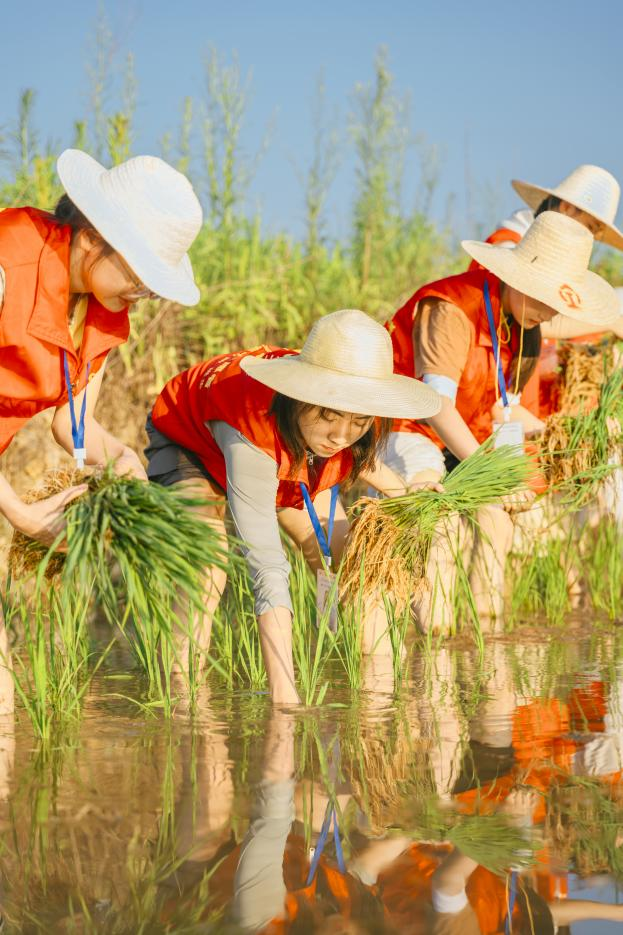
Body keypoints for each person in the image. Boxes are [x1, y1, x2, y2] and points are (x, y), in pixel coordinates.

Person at [146, 309, 441, 704]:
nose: (340, 436)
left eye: (359, 421)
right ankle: (181, 689)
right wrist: (285, 701)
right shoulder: (253, 427)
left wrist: (415, 498)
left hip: (281, 446)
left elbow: (374, 469)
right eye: (329, 416)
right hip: (192, 445)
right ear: (300, 396)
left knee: (340, 553)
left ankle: (374, 671)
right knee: (209, 563)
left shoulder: (338, 431)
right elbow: (266, 565)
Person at [0, 147, 203, 713]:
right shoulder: (7, 257)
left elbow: (74, 423)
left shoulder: (103, 309)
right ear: (92, 235)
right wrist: (17, 511)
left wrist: (119, 460)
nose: (148, 292)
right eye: (142, 273)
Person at [385, 211, 618, 626]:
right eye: (547, 299)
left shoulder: (524, 324)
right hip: (404, 424)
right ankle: (433, 644)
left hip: (462, 434)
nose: (550, 314)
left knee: (498, 520)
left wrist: (542, 448)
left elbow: (500, 408)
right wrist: (489, 470)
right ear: (520, 277)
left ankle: (486, 639)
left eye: (559, 304)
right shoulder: (451, 308)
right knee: (441, 525)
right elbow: (434, 404)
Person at [469, 164, 623, 418]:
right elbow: (532, 318)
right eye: (592, 227)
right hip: (488, 385)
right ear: (567, 208)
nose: (592, 238)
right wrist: (609, 322)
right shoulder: (505, 249)